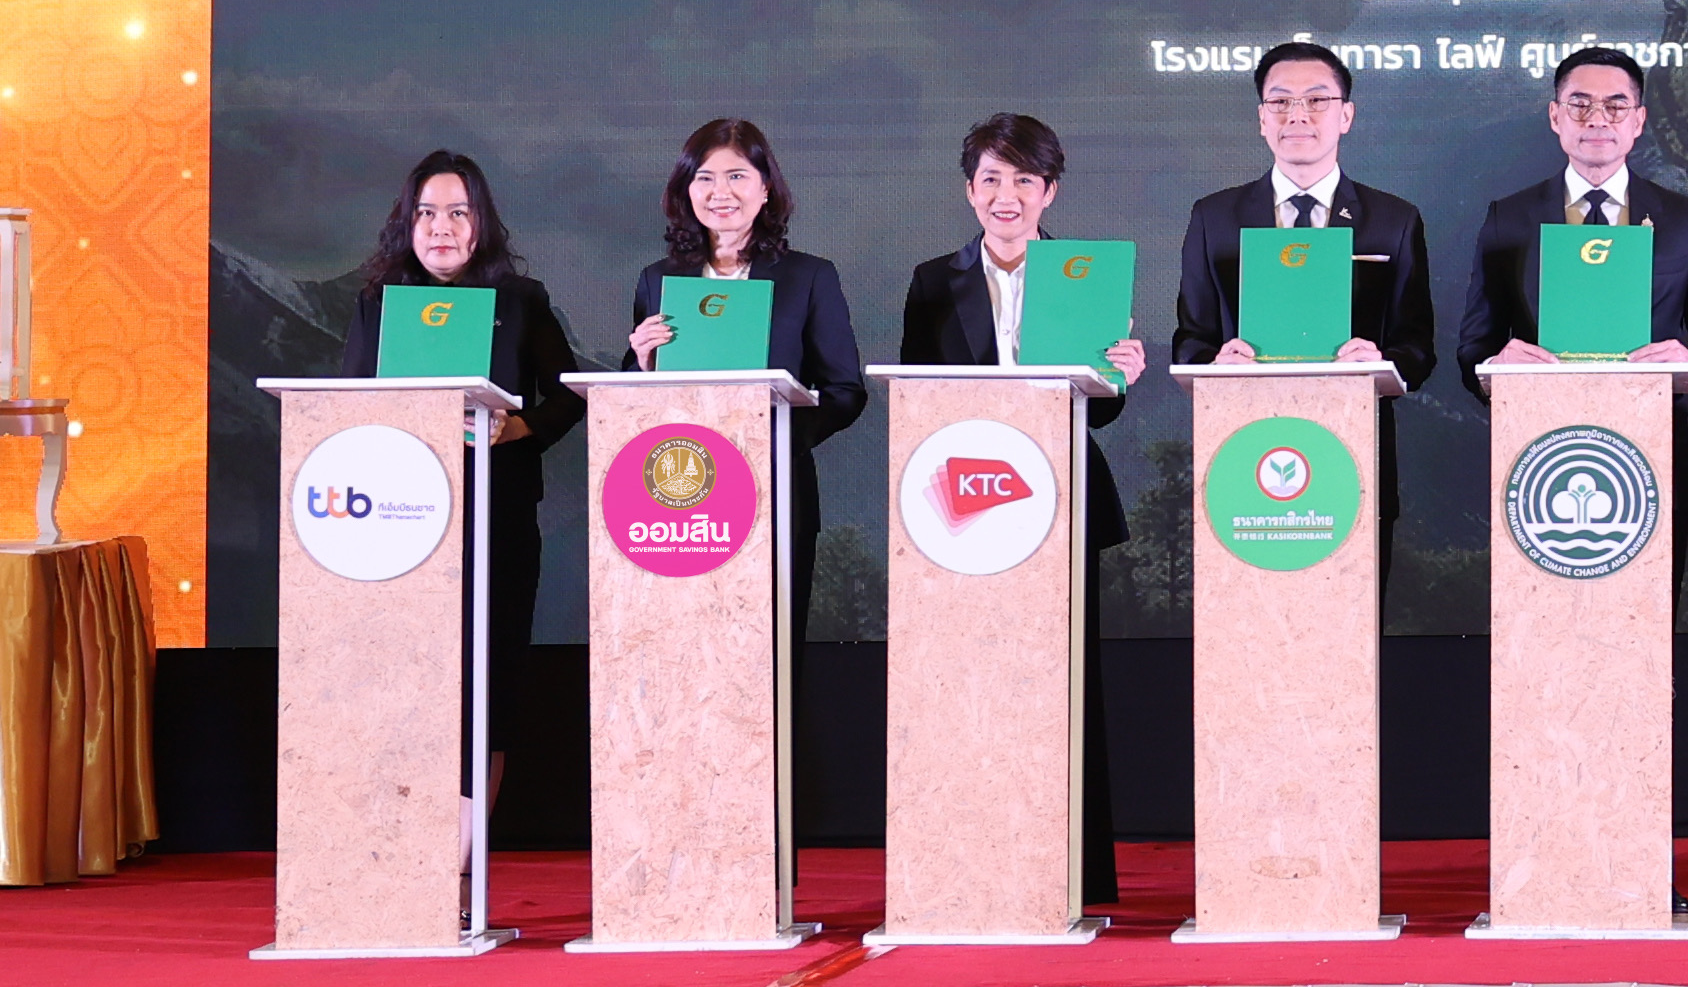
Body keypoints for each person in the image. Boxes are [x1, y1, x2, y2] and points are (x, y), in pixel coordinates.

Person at [900, 113, 1152, 906]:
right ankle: (972, 862)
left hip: (1064, 496)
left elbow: (1103, 412)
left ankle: (1078, 873)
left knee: (1069, 684)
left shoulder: (1084, 275)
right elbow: (918, 406)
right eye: (991, 180)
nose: (1005, 196)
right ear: (968, 190)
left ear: (1050, 192)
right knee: (968, 683)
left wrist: (1120, 374)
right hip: (965, 510)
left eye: (1023, 180)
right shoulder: (932, 281)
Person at [334, 150, 580, 809]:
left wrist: (518, 427)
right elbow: (348, 404)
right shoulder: (378, 304)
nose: (440, 227)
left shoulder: (522, 301)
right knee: (406, 674)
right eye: (426, 213)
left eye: (457, 212)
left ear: (482, 224)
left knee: (488, 680)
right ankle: (404, 819)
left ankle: (467, 845)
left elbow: (569, 396)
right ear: (406, 224)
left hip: (497, 521)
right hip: (397, 522)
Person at [1455, 46, 1688, 577]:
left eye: (1615, 106)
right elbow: (1475, 344)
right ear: (1555, 116)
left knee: (1650, 621)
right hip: (1537, 458)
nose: (1597, 120)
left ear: (1639, 121)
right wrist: (1495, 365)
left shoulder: (1685, 220)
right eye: (1580, 104)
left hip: (1653, 456)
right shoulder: (1509, 217)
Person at [1170, 39, 1437, 531]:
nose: (1298, 115)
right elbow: (1190, 340)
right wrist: (1215, 364)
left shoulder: (1394, 220)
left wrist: (1380, 361)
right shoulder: (1214, 217)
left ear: (1346, 115)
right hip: (1242, 449)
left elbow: (1418, 348)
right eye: (1281, 101)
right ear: (1261, 118)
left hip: (1355, 452)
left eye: (1316, 100)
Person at [627, 118, 868, 644]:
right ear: (686, 191)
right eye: (705, 178)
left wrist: (774, 438)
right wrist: (641, 363)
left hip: (775, 488)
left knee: (772, 650)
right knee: (682, 648)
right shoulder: (658, 280)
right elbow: (630, 404)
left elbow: (846, 391)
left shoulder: (809, 276)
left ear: (765, 189)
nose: (721, 193)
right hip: (678, 500)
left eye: (737, 176)